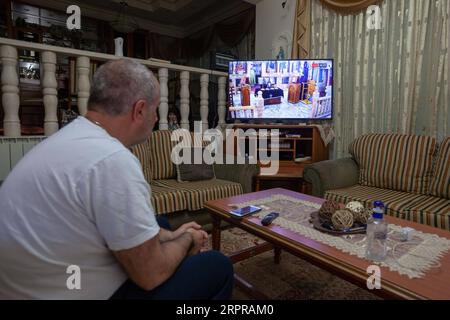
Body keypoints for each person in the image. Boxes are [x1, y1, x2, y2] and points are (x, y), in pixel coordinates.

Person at [0, 59, 233, 300]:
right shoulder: (112, 159)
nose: (155, 120)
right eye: (154, 111)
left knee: (160, 223)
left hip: (32, 282)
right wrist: (187, 238)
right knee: (218, 267)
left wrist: (173, 236)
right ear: (139, 110)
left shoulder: (68, 136)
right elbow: (151, 275)